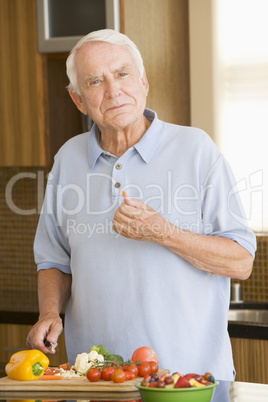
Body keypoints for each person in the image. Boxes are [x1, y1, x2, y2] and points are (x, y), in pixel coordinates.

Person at [26, 29, 256, 381]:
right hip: (97, 379)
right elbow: (54, 259)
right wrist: (49, 313)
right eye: (94, 81)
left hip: (188, 379)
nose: (113, 90)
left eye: (122, 74)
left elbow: (241, 261)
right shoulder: (68, 159)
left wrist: (162, 232)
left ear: (143, 80)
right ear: (78, 100)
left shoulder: (196, 150)